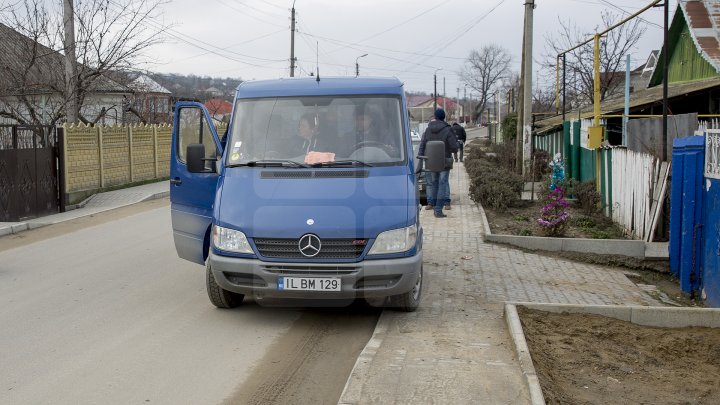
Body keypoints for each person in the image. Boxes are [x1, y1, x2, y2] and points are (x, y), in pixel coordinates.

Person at [418, 108, 459, 218]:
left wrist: (421, 157)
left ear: (435, 117)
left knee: (434, 183)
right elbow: (454, 147)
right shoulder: (448, 129)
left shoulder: (427, 130)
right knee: (442, 184)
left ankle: (435, 206)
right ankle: (438, 210)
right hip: (444, 161)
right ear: (443, 117)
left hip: (431, 161)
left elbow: (422, 145)